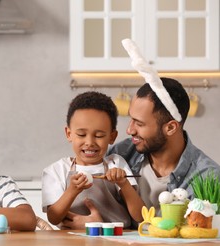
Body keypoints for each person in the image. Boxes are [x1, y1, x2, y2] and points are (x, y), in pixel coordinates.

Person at [108, 77, 220, 213]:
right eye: (131, 119)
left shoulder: (209, 178)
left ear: (171, 128)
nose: (129, 130)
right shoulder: (121, 154)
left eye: (139, 123)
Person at [42, 91, 144, 230]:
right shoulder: (57, 170)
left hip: (117, 239)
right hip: (72, 240)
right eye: (81, 134)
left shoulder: (116, 163)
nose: (89, 142)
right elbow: (53, 218)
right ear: (69, 134)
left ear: (112, 136)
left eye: (99, 135)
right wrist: (71, 191)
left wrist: (124, 183)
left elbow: (140, 216)